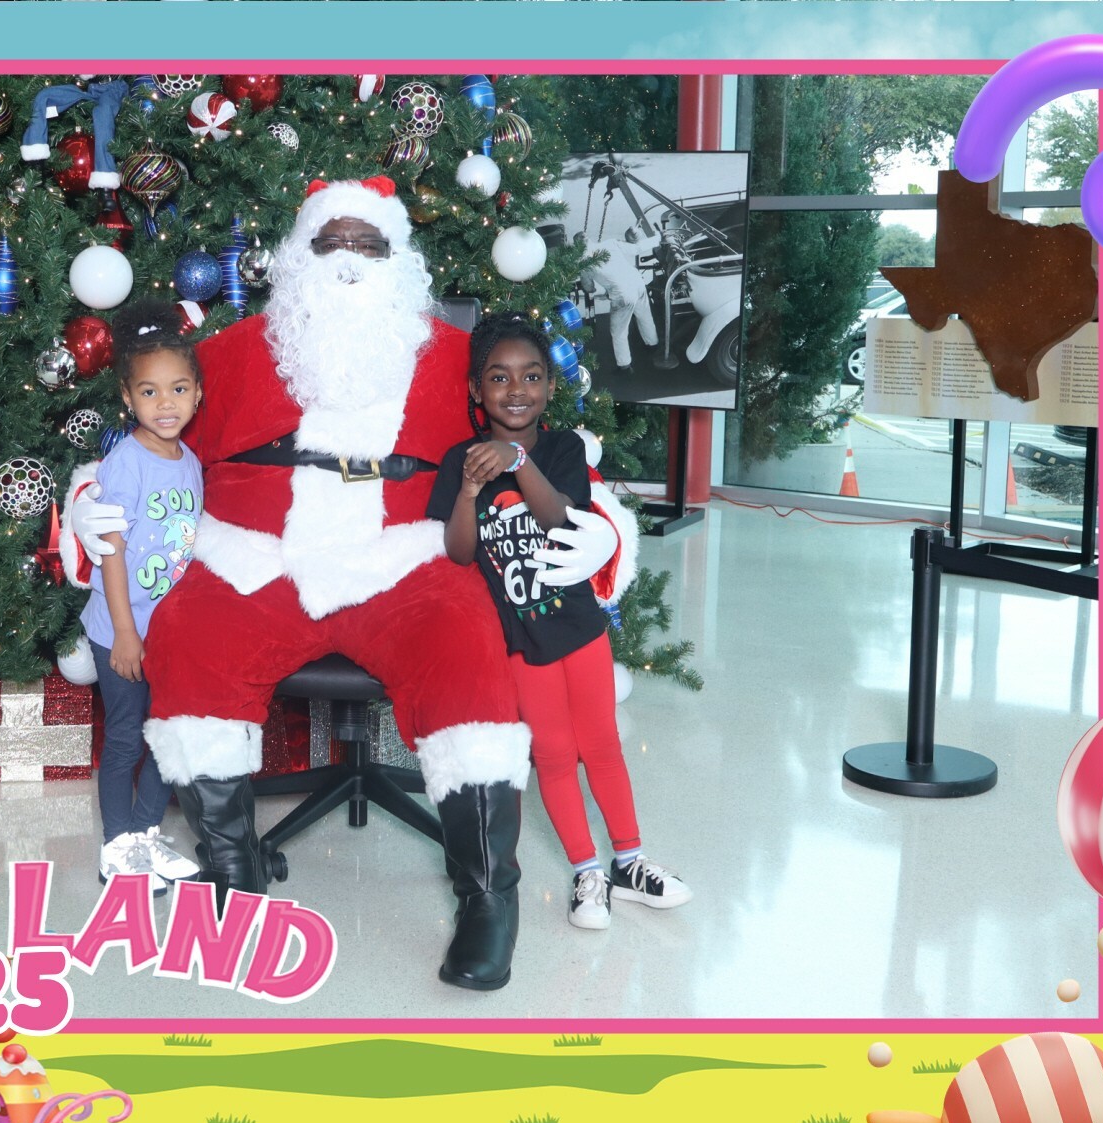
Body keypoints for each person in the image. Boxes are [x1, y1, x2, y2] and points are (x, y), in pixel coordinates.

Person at [61, 176, 638, 991]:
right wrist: (88, 505)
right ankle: (234, 870)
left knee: (468, 651)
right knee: (187, 637)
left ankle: (487, 896)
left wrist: (602, 528)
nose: (348, 261)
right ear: (300, 255)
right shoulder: (231, 352)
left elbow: (538, 440)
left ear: (398, 260)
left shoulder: (453, 357)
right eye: (331, 242)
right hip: (254, 555)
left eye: (368, 245)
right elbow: (147, 437)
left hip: (406, 555)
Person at [429, 313, 692, 931]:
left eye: (531, 376)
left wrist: (518, 458)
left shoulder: (562, 449)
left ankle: (629, 861)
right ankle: (586, 871)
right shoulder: (460, 460)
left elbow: (559, 518)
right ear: (476, 389)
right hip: (521, 642)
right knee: (551, 754)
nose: (516, 389)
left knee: (600, 744)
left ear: (549, 386)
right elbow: (460, 552)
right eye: (499, 377)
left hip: (579, 628)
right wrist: (468, 490)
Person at [76, 302, 205, 895]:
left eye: (178, 389)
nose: (166, 403)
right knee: (128, 735)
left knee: (166, 734)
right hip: (120, 630)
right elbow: (111, 552)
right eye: (150, 392)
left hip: (170, 630)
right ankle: (116, 844)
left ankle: (146, 835)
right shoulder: (126, 463)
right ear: (128, 399)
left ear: (197, 392)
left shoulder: (190, 463)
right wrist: (126, 632)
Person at [588, 226, 659, 371]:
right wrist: (658, 238)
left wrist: (599, 290)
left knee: (619, 332)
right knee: (645, 316)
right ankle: (653, 345)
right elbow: (637, 248)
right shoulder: (610, 243)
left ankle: (624, 366)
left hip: (623, 296)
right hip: (637, 283)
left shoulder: (585, 263)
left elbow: (588, 287)